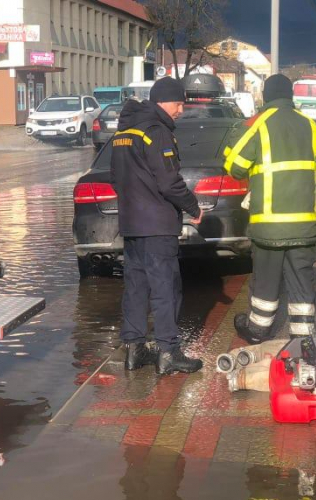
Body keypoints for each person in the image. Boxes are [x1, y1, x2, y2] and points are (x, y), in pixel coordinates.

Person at [223, 74, 316, 343]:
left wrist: (234, 137)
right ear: (290, 96)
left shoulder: (259, 125)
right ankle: (303, 335)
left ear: (266, 97)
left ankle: (258, 329)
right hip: (304, 222)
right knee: (302, 279)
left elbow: (235, 166)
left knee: (266, 279)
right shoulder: (310, 126)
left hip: (268, 223)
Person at [110, 77, 204, 375]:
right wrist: (193, 206)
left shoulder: (124, 132)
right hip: (157, 224)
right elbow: (169, 182)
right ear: (164, 100)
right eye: (179, 104)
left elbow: (115, 177)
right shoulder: (157, 131)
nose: (180, 110)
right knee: (166, 288)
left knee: (136, 286)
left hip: (131, 223)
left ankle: (134, 350)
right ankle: (168, 352)